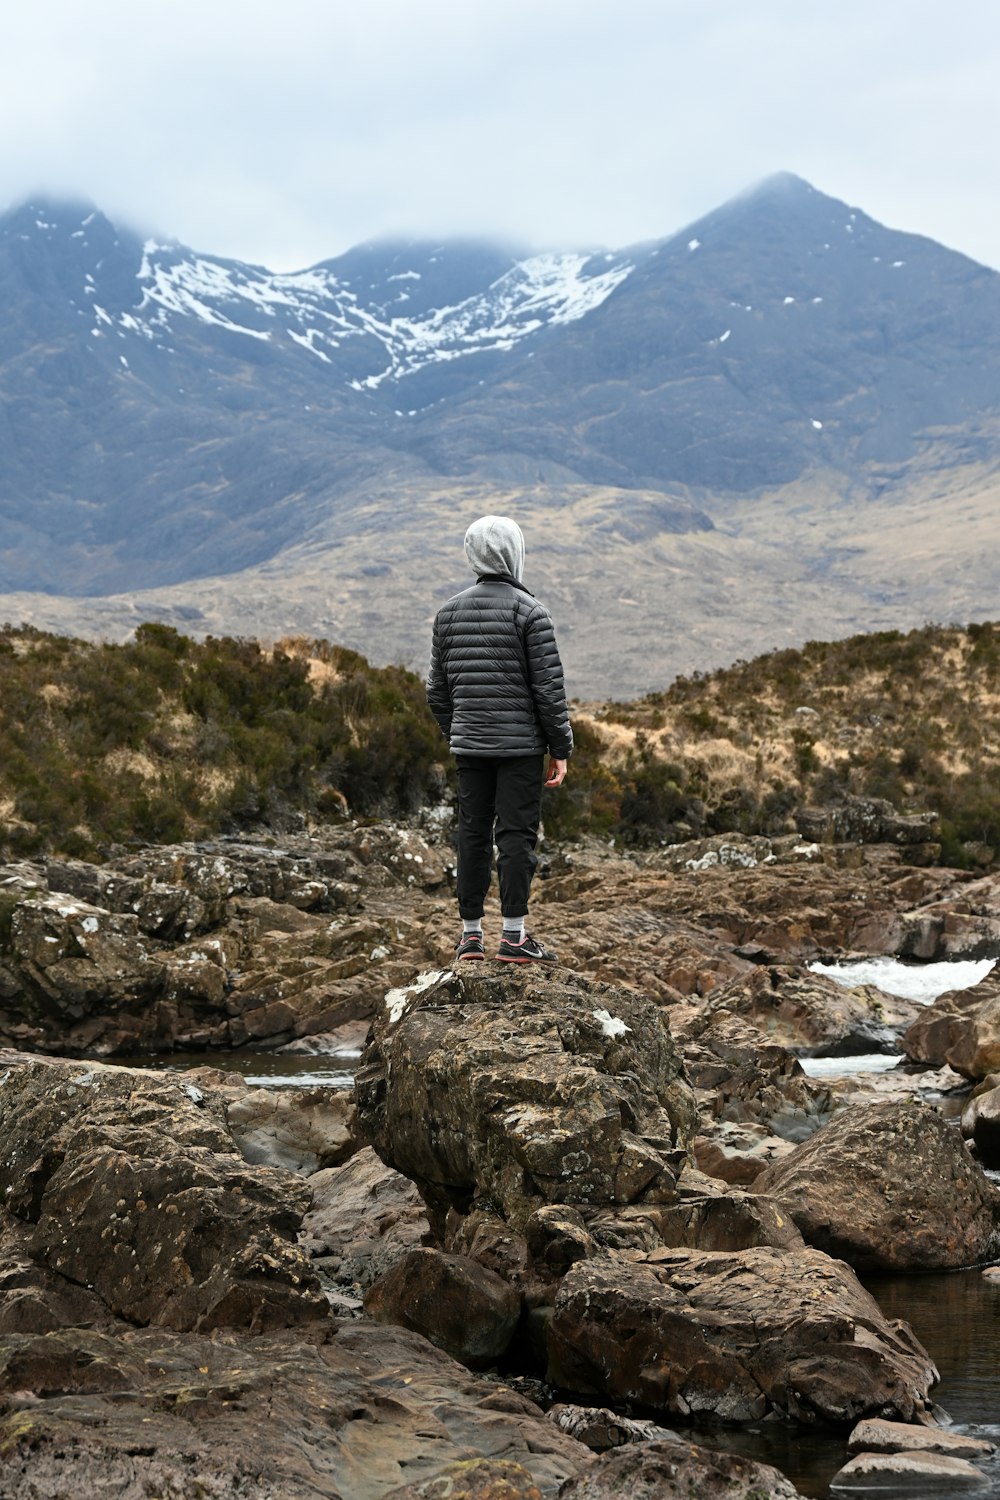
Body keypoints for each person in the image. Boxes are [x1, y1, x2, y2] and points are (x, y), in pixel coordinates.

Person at [427, 515, 573, 964]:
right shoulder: (531, 613)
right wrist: (560, 748)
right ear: (514, 552)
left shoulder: (448, 613)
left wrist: (460, 731)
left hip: (470, 748)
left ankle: (470, 937)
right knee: (515, 836)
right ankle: (513, 936)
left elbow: (436, 691)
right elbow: (548, 691)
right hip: (521, 750)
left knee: (471, 833)